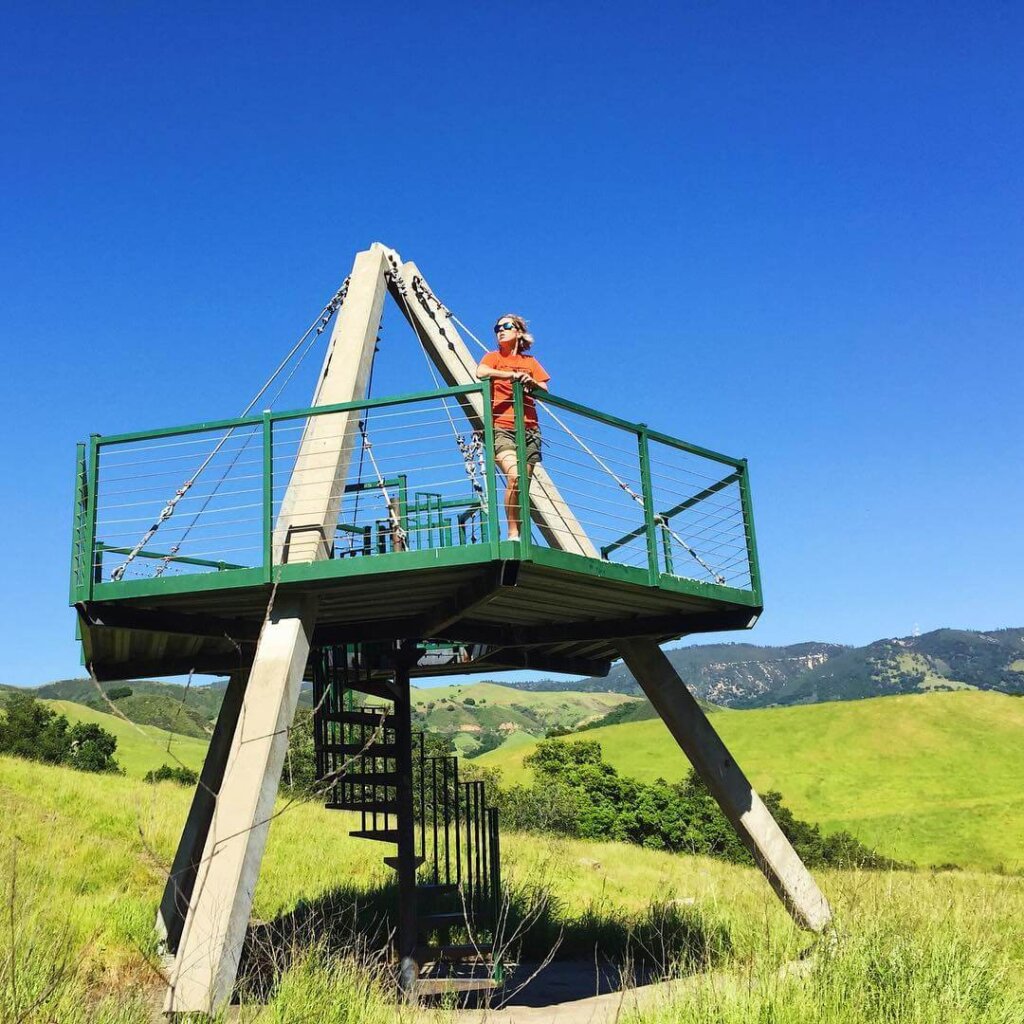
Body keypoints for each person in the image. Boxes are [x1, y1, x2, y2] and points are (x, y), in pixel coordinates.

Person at [476, 314, 550, 541]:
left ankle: (520, 531)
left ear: (518, 332)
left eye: (506, 326)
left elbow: (545, 389)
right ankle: (513, 532)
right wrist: (510, 375)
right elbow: (481, 372)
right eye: (497, 327)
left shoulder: (530, 362)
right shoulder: (493, 357)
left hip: (529, 430)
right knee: (515, 477)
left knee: (523, 488)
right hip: (502, 427)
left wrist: (531, 382)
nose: (500, 330)